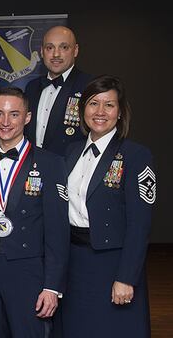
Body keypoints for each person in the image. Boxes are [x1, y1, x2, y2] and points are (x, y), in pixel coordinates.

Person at [0, 87, 69, 337]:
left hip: (27, 270)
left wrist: (52, 286)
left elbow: (57, 231)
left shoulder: (51, 164)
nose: (5, 122)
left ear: (27, 117)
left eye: (14, 114)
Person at [60, 75, 154, 336]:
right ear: (83, 110)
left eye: (109, 105)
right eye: (93, 104)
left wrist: (126, 277)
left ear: (121, 113)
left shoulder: (136, 155)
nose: (100, 112)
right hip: (73, 264)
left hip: (112, 263)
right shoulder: (70, 152)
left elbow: (139, 224)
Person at [24, 26, 92, 156]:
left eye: (64, 47)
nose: (56, 54)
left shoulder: (89, 86)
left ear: (75, 50)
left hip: (70, 169)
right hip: (33, 167)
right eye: (50, 48)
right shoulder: (31, 87)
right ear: (42, 52)